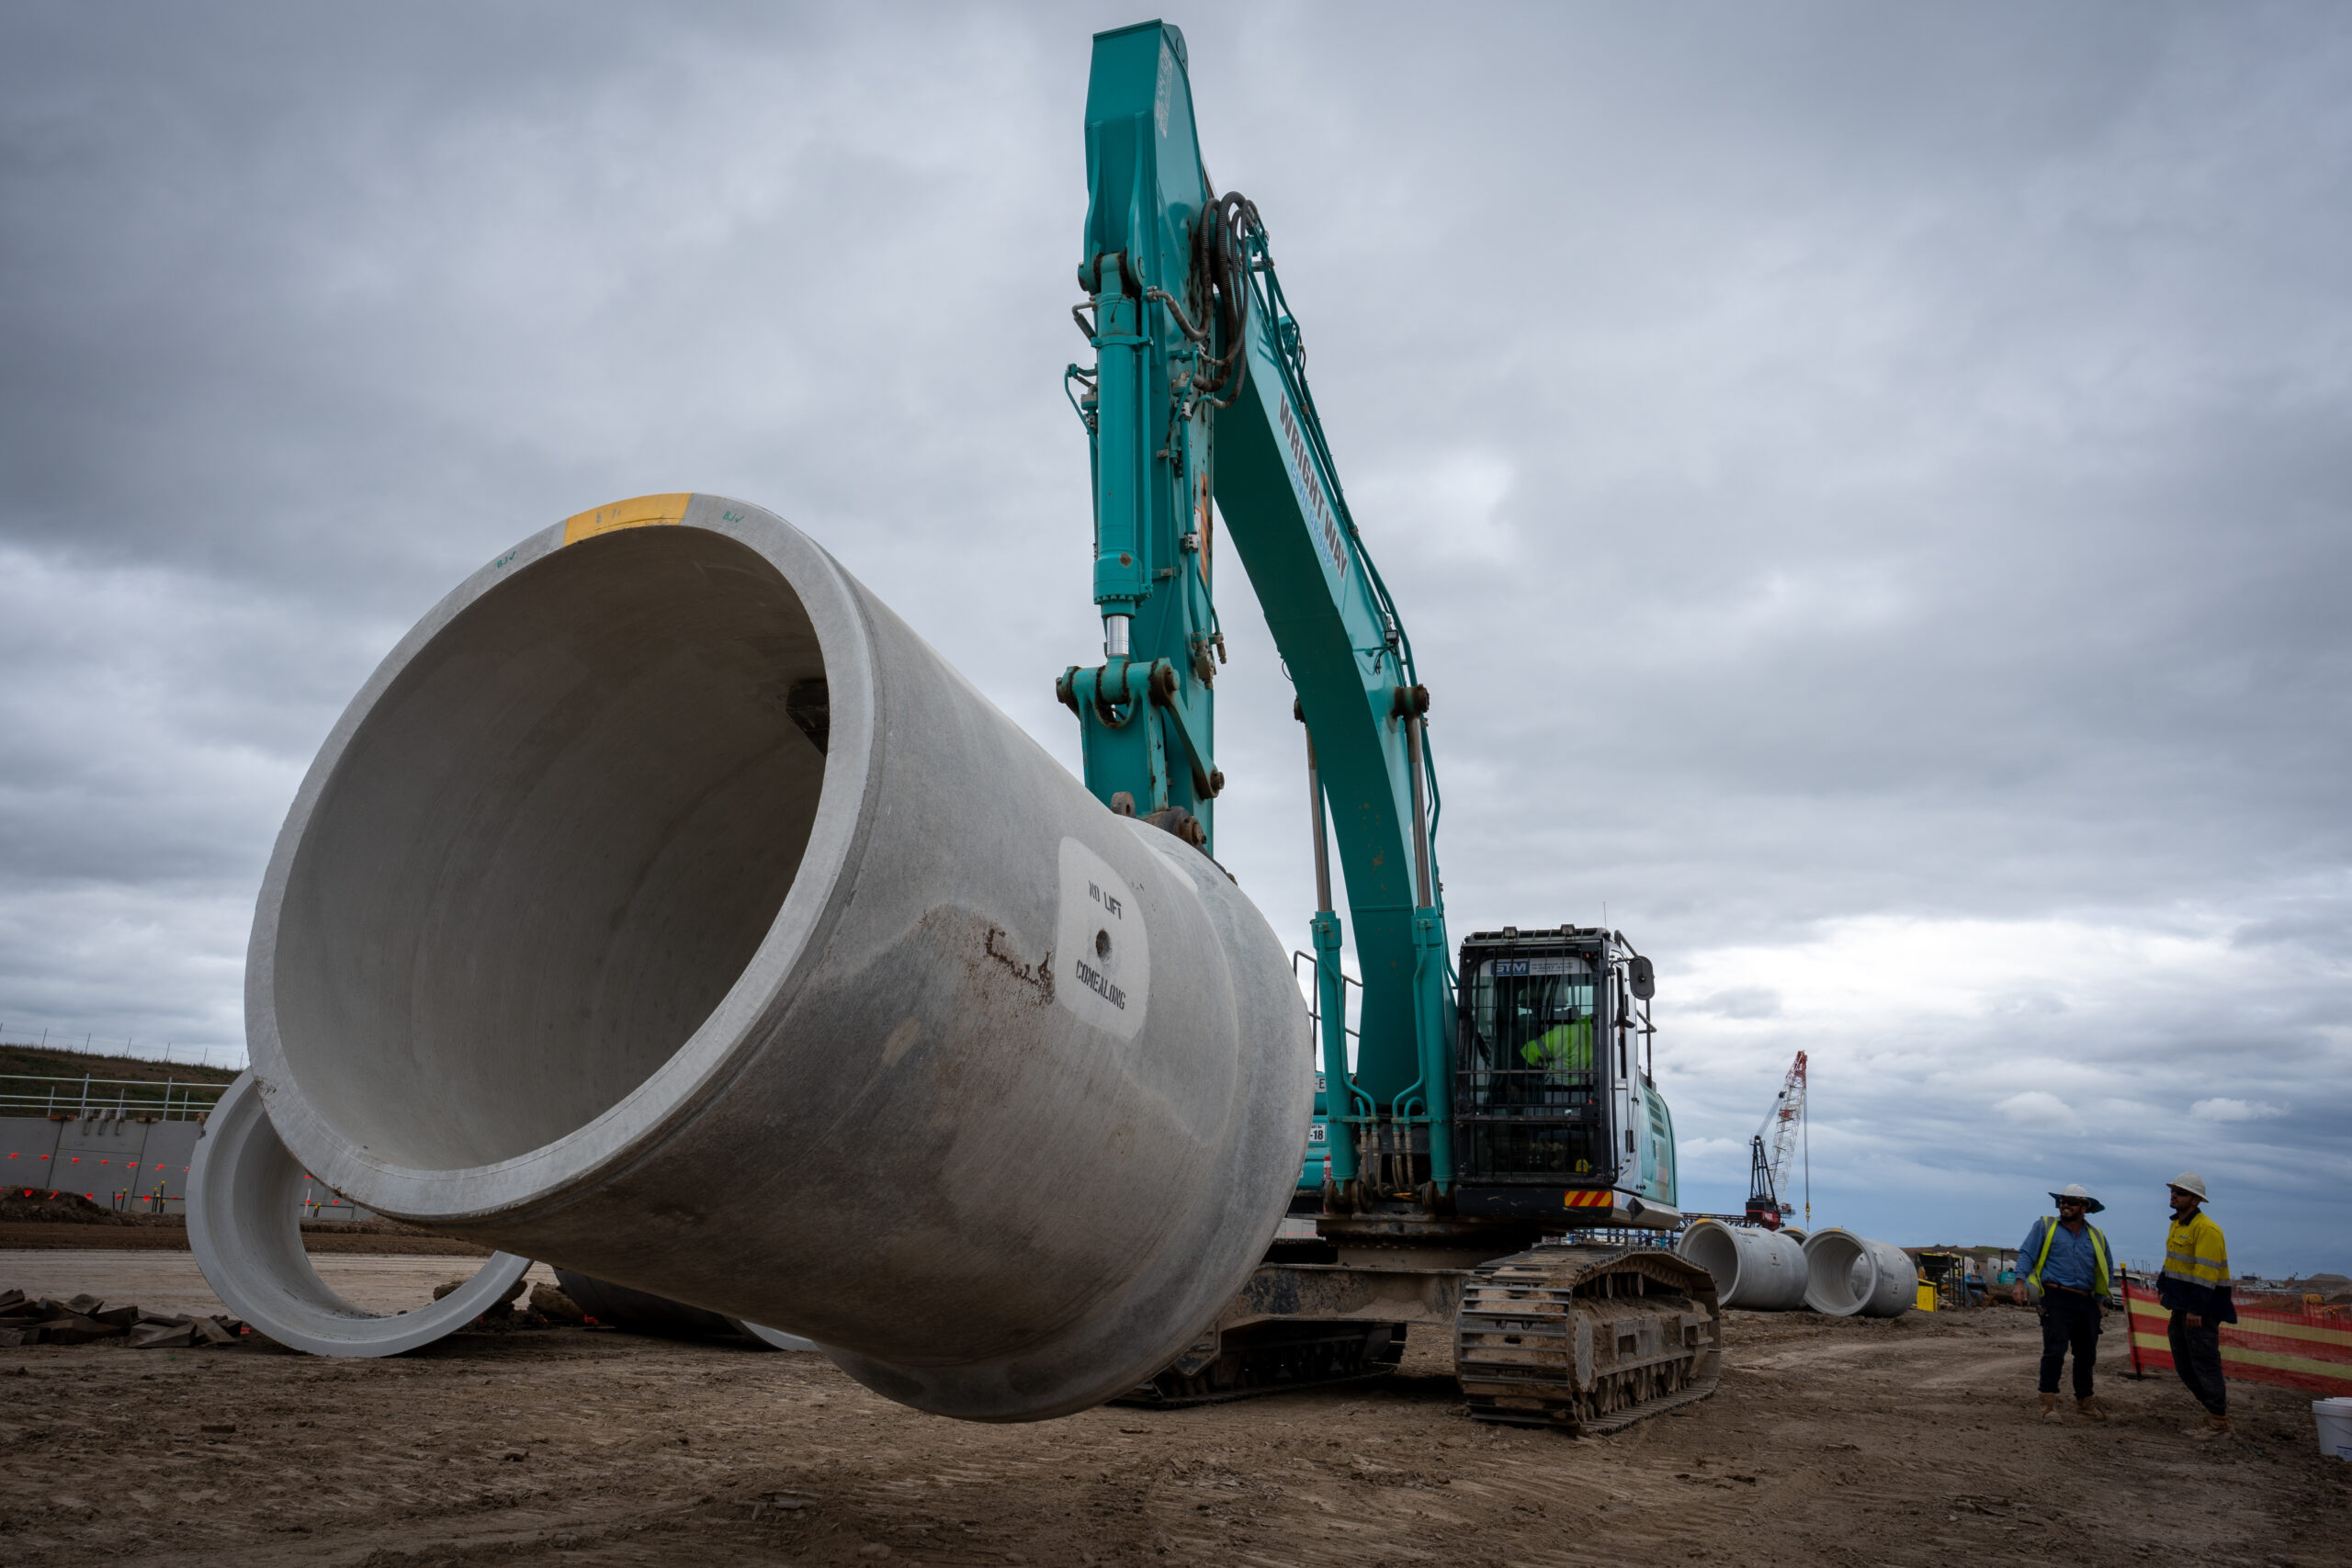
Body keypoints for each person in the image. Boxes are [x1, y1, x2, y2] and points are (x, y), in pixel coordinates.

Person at [2015, 1183, 2114, 1421]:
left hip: (2086, 1300)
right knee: (2055, 1351)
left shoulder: (2097, 1236)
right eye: (2062, 1201)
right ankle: (2048, 1405)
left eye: (2071, 1201)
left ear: (2085, 1207)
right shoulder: (2045, 1227)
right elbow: (2028, 1253)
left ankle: (2085, 1403)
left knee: (2086, 1354)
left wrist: (2100, 1301)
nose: (2065, 1205)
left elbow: (2105, 1269)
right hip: (2056, 1297)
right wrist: (2019, 1283)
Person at [2160, 1172, 2234, 1438]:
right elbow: (2173, 1264)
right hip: (2182, 1307)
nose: (2173, 1195)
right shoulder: (2178, 1226)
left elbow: (2206, 1274)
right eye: (2173, 1190)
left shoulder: (2207, 1230)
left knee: (2204, 1363)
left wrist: (2197, 1310)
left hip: (2201, 1311)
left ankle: (2218, 1422)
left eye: (2180, 1192)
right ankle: (2216, 1414)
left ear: (2195, 1200)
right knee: (2184, 1365)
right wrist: (2163, 1290)